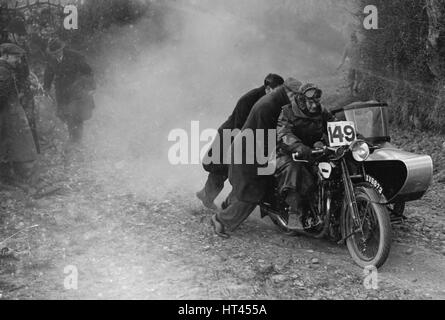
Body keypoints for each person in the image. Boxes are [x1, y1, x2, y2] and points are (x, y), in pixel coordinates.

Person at [210, 77, 302, 238]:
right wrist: (276, 153)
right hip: (248, 153)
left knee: (247, 188)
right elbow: (262, 137)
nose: (297, 100)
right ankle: (220, 220)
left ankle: (226, 208)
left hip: (251, 150)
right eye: (295, 96)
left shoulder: (277, 102)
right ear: (287, 92)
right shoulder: (267, 106)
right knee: (252, 193)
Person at [197, 74, 284, 210]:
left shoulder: (275, 101)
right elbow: (240, 126)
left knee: (242, 175)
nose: (279, 94)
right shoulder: (249, 99)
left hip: (250, 138)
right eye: (277, 91)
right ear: (268, 89)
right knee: (221, 170)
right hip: (231, 135)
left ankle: (227, 204)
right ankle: (208, 197)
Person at [275, 83, 336, 229]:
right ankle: (294, 213)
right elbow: (283, 133)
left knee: (334, 168)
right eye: (310, 102)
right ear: (302, 100)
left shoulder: (322, 111)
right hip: (289, 153)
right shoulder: (288, 112)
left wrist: (356, 139)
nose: (314, 106)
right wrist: (298, 146)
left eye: (317, 101)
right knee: (295, 170)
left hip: (314, 153)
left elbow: (336, 125)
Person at [43, 38, 96, 144]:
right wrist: (46, 87)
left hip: (76, 89)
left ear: (62, 49)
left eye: (58, 52)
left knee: (76, 114)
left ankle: (76, 140)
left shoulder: (75, 56)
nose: (56, 55)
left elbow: (88, 71)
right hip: (61, 92)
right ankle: (73, 137)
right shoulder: (52, 60)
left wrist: (90, 86)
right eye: (54, 53)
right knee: (65, 115)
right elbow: (48, 73)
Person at [0, 43, 38, 184]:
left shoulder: (7, 69)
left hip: (10, 115)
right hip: (8, 116)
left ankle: (11, 178)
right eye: (16, 57)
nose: (18, 60)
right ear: (6, 56)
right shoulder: (3, 71)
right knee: (15, 146)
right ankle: (14, 179)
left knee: (9, 147)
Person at [5, 17, 40, 154]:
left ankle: (32, 156)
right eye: (19, 34)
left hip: (25, 93)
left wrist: (32, 77)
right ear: (11, 34)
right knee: (16, 127)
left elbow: (24, 70)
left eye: (23, 35)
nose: (21, 37)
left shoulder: (22, 48)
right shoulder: (5, 50)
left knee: (29, 124)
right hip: (13, 94)